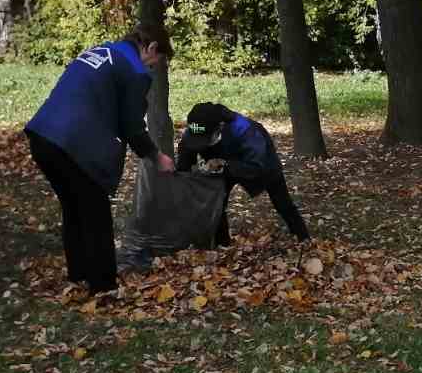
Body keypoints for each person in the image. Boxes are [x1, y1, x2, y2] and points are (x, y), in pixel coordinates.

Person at [25, 26, 174, 294]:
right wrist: (156, 156)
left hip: (42, 136)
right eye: (157, 62)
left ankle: (79, 275)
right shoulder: (135, 71)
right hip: (72, 143)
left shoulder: (101, 50)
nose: (153, 68)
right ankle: (104, 288)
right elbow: (132, 127)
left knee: (74, 208)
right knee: (96, 213)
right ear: (151, 49)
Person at [176, 103, 309, 243]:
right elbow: (186, 152)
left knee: (282, 202)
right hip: (220, 163)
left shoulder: (246, 130)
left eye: (205, 140)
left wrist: (225, 165)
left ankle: (304, 239)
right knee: (217, 202)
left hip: (259, 163)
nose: (200, 144)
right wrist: (182, 176)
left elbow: (257, 166)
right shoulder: (197, 128)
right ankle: (222, 245)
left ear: (220, 127)